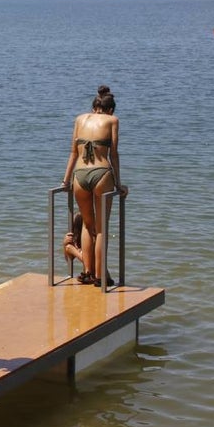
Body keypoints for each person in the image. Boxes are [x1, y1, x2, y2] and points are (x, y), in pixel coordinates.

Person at [61, 85, 125, 287]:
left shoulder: (80, 119)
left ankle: (87, 272)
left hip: (79, 175)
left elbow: (73, 153)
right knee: (102, 229)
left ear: (94, 106)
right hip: (101, 173)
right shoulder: (112, 120)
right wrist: (119, 183)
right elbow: (113, 153)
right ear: (111, 109)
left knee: (88, 226)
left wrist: (65, 181)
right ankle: (100, 276)